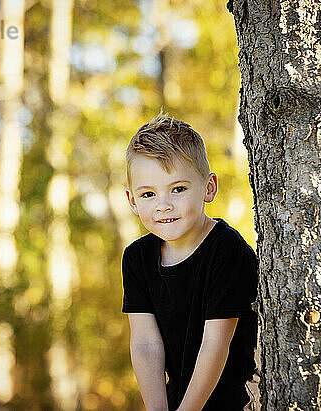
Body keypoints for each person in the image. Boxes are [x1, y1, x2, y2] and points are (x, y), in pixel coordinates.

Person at [121, 113, 258, 411]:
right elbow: (146, 343)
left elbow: (215, 343)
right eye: (148, 194)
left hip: (238, 400)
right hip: (182, 398)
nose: (163, 205)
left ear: (209, 188)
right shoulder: (137, 258)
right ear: (132, 201)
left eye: (178, 189)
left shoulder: (226, 250)